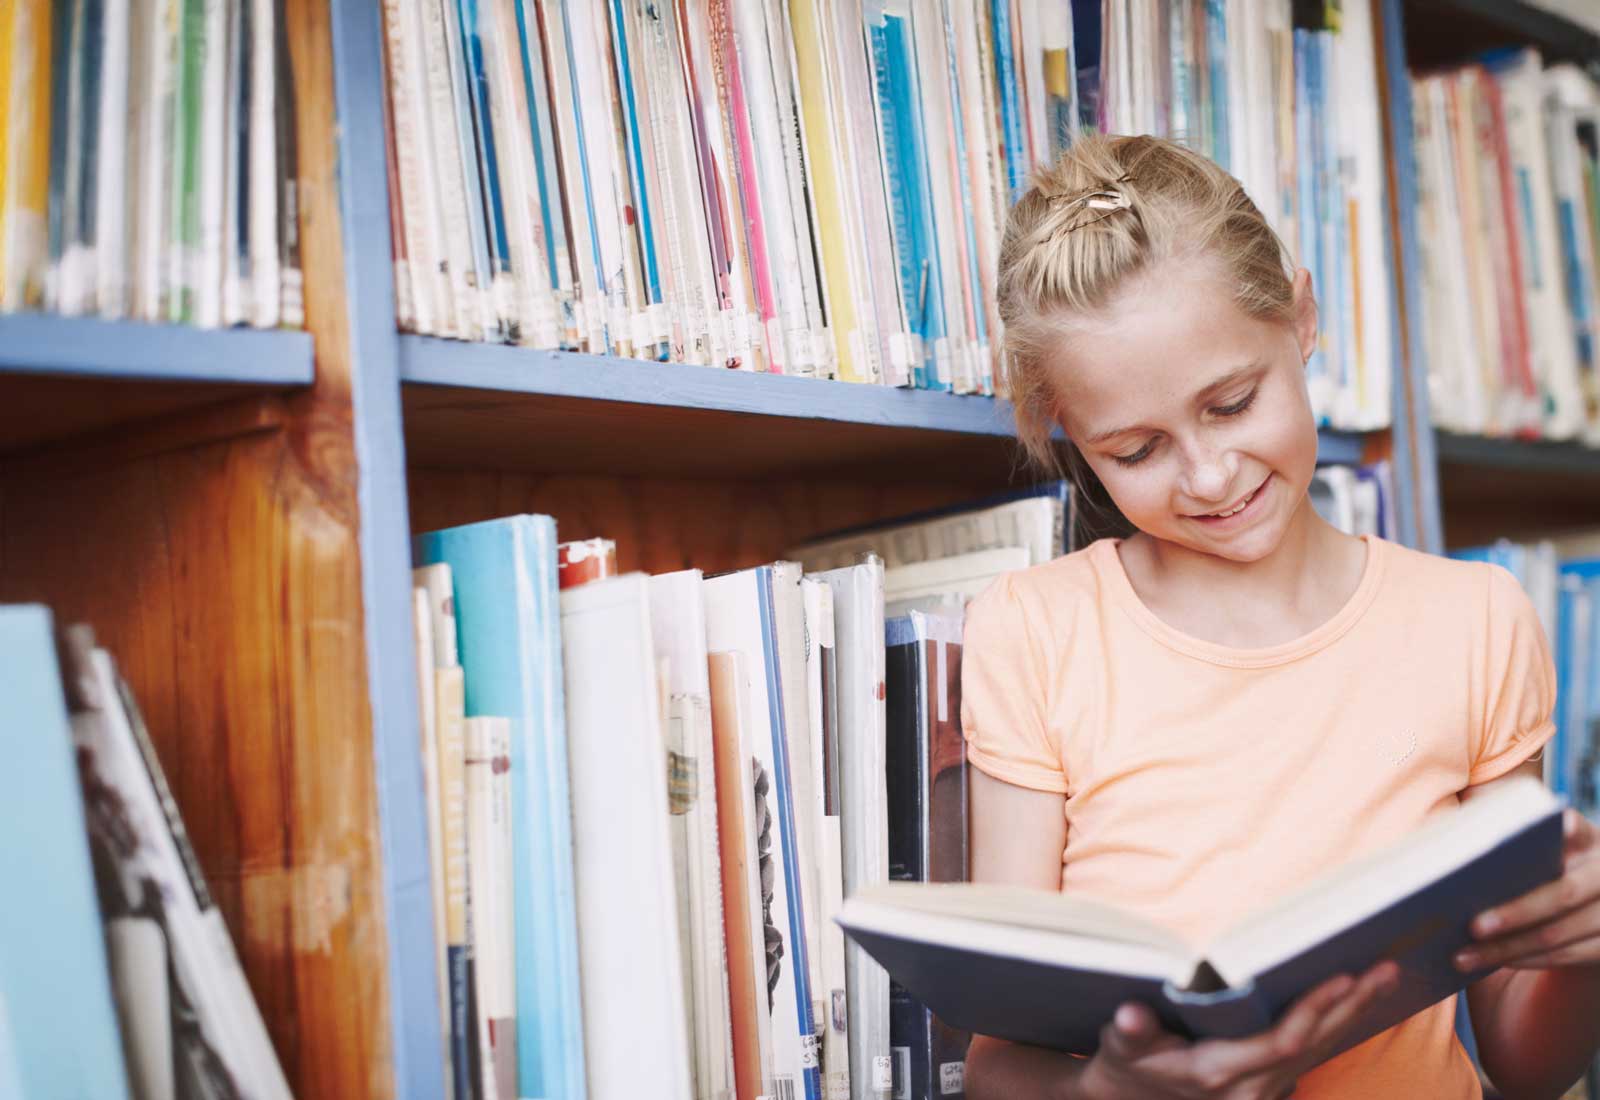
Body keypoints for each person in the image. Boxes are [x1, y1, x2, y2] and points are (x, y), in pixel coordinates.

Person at [960, 132, 1600, 1100]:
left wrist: (1584, 947)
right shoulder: (1034, 628)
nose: (1208, 476)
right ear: (1067, 430)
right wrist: (1113, 1091)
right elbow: (998, 1062)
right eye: (1135, 449)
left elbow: (1520, 1062)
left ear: (1300, 316)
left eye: (1231, 402)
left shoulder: (1475, 619)